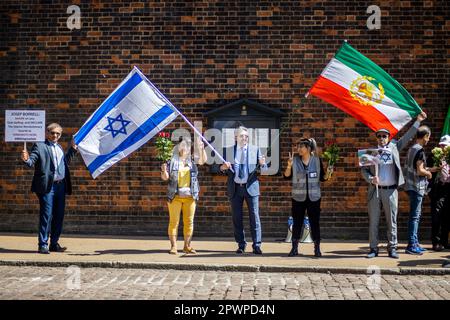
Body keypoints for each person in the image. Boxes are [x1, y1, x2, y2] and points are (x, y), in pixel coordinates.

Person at [361, 111, 427, 259]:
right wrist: (371, 178)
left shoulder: (395, 147)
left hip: (391, 191)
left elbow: (409, 136)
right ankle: (373, 248)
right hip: (375, 190)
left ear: (388, 137)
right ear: (376, 138)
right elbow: (364, 170)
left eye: (384, 136)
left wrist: (418, 121)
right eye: (379, 136)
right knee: (373, 221)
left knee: (392, 221)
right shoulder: (371, 152)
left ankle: (392, 248)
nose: (382, 138)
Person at [21, 123, 78, 254]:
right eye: (53, 133)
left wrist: (73, 150)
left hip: (61, 186)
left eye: (58, 133)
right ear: (47, 133)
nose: (55, 135)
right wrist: (26, 159)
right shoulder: (40, 146)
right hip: (47, 186)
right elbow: (31, 161)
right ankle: (43, 244)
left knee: (59, 215)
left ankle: (54, 243)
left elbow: (64, 163)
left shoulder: (59, 147)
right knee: (46, 215)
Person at [220, 126, 268, 254]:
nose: (244, 138)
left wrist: (263, 164)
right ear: (236, 137)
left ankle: (257, 245)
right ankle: (241, 244)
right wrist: (223, 167)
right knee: (237, 218)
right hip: (235, 189)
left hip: (251, 188)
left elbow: (264, 170)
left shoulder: (255, 150)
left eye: (246, 136)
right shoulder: (229, 151)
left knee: (254, 217)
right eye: (242, 136)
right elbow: (222, 169)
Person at [283, 138, 332, 257]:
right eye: (298, 146)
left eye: (301, 147)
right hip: (298, 198)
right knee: (297, 223)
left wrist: (329, 172)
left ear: (308, 148)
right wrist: (289, 166)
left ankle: (317, 248)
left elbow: (322, 178)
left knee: (315, 223)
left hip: (314, 198)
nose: (298, 149)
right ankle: (294, 248)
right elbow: (286, 177)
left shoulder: (316, 160)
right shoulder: (294, 160)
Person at [160, 137, 207, 255]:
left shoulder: (192, 160)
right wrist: (164, 171)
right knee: (174, 222)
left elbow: (203, 161)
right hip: (175, 196)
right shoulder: (171, 160)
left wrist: (202, 149)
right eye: (181, 145)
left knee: (189, 222)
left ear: (189, 147)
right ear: (178, 147)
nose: (184, 147)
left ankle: (187, 246)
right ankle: (174, 246)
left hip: (190, 197)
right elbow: (165, 178)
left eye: (186, 145)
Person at [404, 126, 440, 255]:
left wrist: (431, 169)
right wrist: (428, 174)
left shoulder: (412, 149)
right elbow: (419, 171)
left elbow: (417, 168)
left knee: (415, 216)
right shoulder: (419, 150)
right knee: (415, 217)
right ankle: (412, 245)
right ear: (424, 136)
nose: (428, 140)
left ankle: (414, 242)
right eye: (428, 137)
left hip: (410, 185)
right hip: (416, 187)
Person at [429, 135, 450, 251]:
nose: (443, 148)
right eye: (441, 145)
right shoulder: (433, 156)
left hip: (449, 188)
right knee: (436, 216)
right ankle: (435, 242)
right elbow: (425, 169)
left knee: (447, 217)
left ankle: (444, 241)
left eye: (445, 146)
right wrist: (435, 168)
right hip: (438, 188)